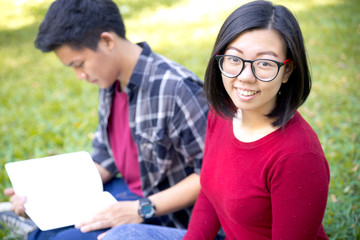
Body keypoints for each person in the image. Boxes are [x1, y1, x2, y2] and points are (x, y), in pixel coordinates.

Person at [99, 1, 330, 239]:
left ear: (288, 71)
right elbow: (209, 193)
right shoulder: (223, 112)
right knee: (123, 234)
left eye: (264, 63)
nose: (245, 77)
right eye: (234, 59)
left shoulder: (298, 157)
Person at [1, 0, 209, 239]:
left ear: (107, 41)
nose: (79, 76)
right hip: (129, 193)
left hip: (171, 214)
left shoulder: (177, 88)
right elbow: (105, 160)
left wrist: (141, 209)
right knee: (44, 232)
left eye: (79, 64)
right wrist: (42, 198)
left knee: (66, 239)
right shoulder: (111, 82)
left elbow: (210, 174)